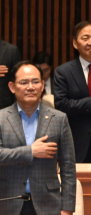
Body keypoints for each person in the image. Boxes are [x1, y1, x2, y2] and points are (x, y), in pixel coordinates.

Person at [0, 61, 76, 215]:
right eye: (24, 82)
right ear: (12, 87)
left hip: (49, 204)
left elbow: (68, 167)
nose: (30, 87)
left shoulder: (59, 119)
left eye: (35, 82)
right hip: (8, 201)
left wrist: (68, 206)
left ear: (42, 85)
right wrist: (31, 151)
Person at [53, 21, 91, 163]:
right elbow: (61, 105)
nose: (90, 42)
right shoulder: (63, 71)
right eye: (85, 38)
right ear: (75, 43)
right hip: (76, 143)